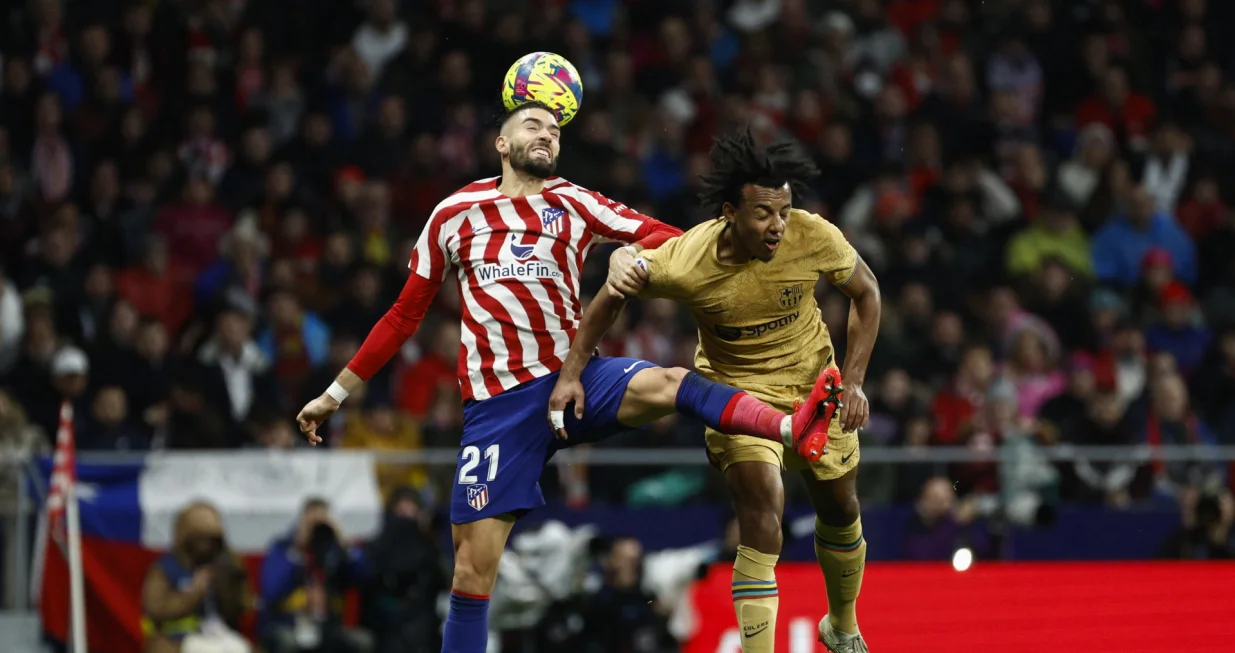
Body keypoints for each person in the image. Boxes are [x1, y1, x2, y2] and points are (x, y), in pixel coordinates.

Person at [294, 102, 839, 653]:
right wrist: (334, 393)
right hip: (497, 409)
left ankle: (791, 428)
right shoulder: (455, 214)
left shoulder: (576, 203)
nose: (547, 135)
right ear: (501, 143)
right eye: (533, 126)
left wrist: (642, 254)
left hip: (575, 380)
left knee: (671, 383)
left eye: (555, 131)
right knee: (470, 574)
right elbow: (402, 315)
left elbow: (672, 241)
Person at [552, 128, 882, 653]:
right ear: (730, 211)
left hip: (815, 389)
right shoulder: (686, 260)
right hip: (738, 395)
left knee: (841, 511)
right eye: (763, 214)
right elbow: (613, 294)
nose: (777, 226)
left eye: (784, 211)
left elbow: (867, 293)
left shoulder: (813, 235)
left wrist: (857, 380)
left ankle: (841, 626)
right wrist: (571, 372)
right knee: (763, 509)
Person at [140, 502, 251, 653]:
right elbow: (156, 609)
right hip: (175, 640)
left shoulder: (224, 564)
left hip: (219, 635)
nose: (204, 545)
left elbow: (237, 609)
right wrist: (193, 593)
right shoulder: (165, 569)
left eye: (210, 540)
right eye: (199, 539)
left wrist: (229, 583)